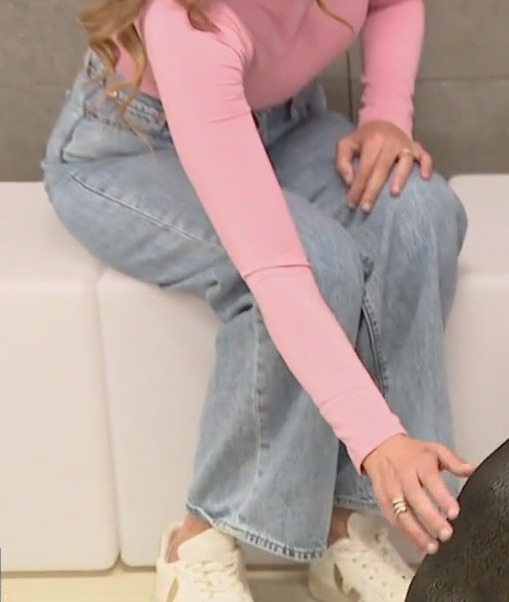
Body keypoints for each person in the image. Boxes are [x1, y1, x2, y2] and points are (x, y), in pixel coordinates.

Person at [40, 1, 474, 601]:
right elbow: (277, 269)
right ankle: (200, 538)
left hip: (284, 123)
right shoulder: (188, 21)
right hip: (132, 149)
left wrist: (387, 116)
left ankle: (347, 525)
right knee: (317, 261)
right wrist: (377, 439)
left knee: (421, 211)